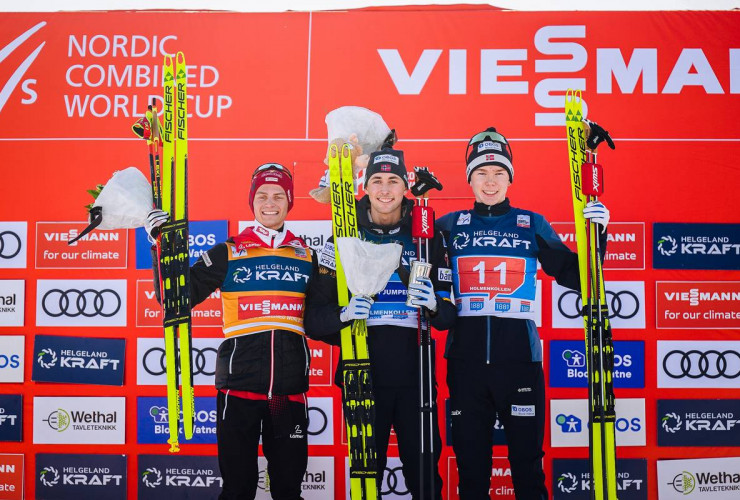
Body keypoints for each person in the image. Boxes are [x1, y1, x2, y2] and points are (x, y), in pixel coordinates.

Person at [437, 127, 611, 499]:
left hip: (519, 361)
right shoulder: (448, 227)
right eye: (481, 173)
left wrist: (599, 233)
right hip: (465, 363)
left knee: (528, 466)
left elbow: (576, 275)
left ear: (510, 178)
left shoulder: (530, 223)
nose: (490, 181)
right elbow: (398, 238)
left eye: (499, 173)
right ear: (469, 178)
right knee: (471, 469)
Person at [146, 163, 318, 500]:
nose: (270, 203)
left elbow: (324, 316)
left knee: (288, 489)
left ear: (290, 201)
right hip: (238, 391)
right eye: (262, 196)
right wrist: (159, 248)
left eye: (278, 196)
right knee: (238, 489)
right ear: (252, 202)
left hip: (287, 393)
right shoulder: (229, 251)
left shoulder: (307, 255)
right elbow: (174, 298)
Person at [304, 148, 456, 499]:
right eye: (376, 181)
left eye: (393, 181)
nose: (385, 189)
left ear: (405, 187)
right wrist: (344, 315)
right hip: (363, 373)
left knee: (424, 476)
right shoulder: (342, 236)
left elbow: (449, 316)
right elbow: (314, 320)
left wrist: (433, 304)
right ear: (365, 186)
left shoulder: (426, 234)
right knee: (364, 476)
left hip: (415, 377)